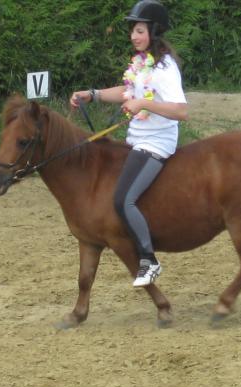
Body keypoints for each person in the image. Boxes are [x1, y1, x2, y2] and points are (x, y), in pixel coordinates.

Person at [69, 0, 188, 287]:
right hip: (136, 139)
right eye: (133, 31)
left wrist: (143, 103)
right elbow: (128, 90)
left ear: (154, 31)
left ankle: (148, 259)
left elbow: (181, 111)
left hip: (157, 142)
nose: (133, 36)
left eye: (139, 30)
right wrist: (93, 94)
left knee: (122, 198)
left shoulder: (165, 67)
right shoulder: (141, 63)